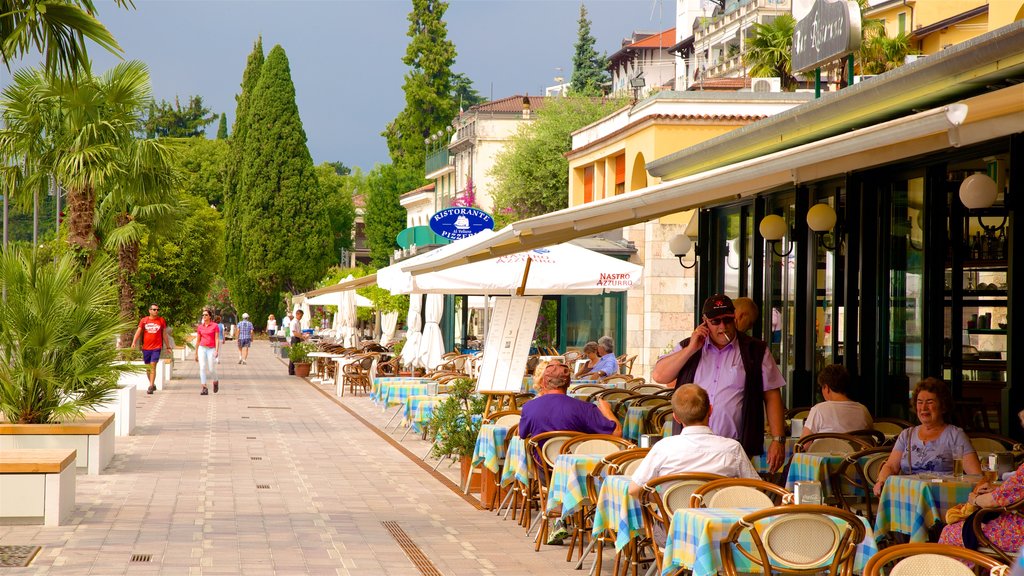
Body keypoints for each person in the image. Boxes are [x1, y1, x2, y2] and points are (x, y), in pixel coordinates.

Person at [651, 294, 787, 473]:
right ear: (705, 322)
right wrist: (691, 349)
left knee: (732, 497)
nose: (723, 326)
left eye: (727, 320)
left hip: (735, 447)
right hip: (691, 447)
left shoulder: (755, 350)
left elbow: (772, 395)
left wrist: (778, 440)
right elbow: (660, 376)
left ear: (734, 318)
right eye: (716, 322)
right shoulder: (689, 347)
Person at [628, 383, 759, 498]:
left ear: (676, 417)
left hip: (672, 523)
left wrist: (664, 500)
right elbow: (756, 488)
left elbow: (634, 490)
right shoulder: (732, 448)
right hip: (717, 523)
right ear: (711, 410)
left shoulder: (663, 448)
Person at [873, 377, 981, 495]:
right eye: (920, 402)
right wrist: (881, 481)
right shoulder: (906, 435)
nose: (923, 408)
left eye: (930, 402)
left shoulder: (955, 435)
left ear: (943, 406)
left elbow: (976, 475)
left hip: (942, 497)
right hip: (910, 496)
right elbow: (891, 466)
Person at [939, 408, 1024, 554]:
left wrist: (975, 499)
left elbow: (992, 502)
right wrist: (998, 493)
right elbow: (1012, 493)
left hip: (1019, 532)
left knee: (951, 532)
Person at [519, 362, 622, 440]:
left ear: (544, 383)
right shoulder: (585, 409)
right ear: (568, 383)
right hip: (576, 466)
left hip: (542, 465)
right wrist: (607, 410)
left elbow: (521, 435)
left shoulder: (529, 407)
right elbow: (616, 433)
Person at [800, 364, 872, 437]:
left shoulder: (818, 410)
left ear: (826, 388)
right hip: (858, 448)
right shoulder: (863, 410)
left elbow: (804, 445)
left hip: (826, 448)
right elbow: (871, 439)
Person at [130, 303, 171, 395]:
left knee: (153, 366)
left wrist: (168, 346)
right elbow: (139, 331)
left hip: (156, 347)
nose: (156, 311)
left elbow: (164, 334)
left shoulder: (161, 320)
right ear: (149, 311)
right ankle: (152, 383)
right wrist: (133, 342)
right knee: (148, 368)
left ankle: (151, 386)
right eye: (154, 309)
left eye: (157, 310)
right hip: (146, 348)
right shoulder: (144, 320)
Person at [195, 308, 220, 395]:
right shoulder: (200, 327)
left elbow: (217, 339)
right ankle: (204, 387)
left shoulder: (215, 326)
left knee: (211, 368)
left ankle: (216, 381)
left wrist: (216, 350)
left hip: (211, 349)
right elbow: (198, 341)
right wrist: (196, 353)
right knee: (202, 367)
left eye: (206, 315)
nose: (204, 316)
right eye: (203, 315)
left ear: (210, 316)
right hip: (202, 348)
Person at [288, 309, 306, 376]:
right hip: (294, 339)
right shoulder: (294, 322)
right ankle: (291, 370)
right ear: (297, 314)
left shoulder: (298, 322)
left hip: (297, 338)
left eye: (302, 316)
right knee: (294, 354)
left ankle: (294, 370)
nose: (301, 317)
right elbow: (294, 333)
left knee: (296, 354)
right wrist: (302, 337)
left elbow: (298, 332)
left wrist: (302, 335)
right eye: (300, 316)